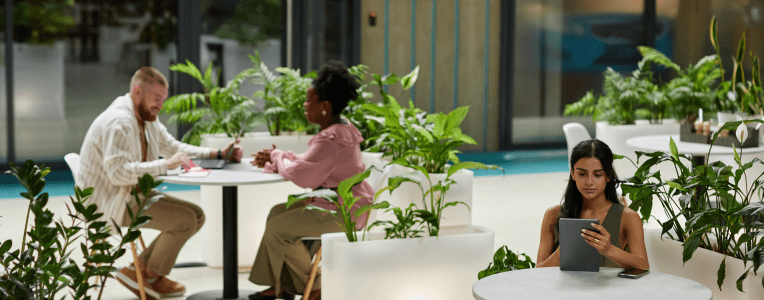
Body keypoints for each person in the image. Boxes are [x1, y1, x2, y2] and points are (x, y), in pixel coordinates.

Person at [77, 66, 243, 299]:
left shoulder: (146, 118)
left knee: (197, 215)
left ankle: (139, 271)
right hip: (110, 202)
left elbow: (173, 148)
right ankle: (151, 276)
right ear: (137, 92)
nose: (161, 105)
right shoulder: (119, 123)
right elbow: (118, 173)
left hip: (130, 194)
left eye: (163, 99)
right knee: (184, 220)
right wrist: (166, 165)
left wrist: (217, 153)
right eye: (157, 98)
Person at [247, 61, 374, 300]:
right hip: (340, 202)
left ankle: (314, 286)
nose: (304, 106)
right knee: (276, 213)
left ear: (324, 106)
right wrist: (280, 156)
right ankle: (280, 285)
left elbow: (302, 175)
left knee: (278, 228)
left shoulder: (330, 139)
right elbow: (309, 163)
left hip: (342, 211)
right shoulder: (342, 128)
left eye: (309, 101)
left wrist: (277, 156)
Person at [536, 139, 649, 270]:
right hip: (563, 290)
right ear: (572, 173)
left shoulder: (628, 217)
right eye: (582, 174)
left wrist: (609, 249)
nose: (589, 182)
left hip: (611, 290)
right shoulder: (553, 215)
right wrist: (562, 254)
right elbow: (539, 271)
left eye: (597, 175)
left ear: (608, 176)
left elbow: (644, 266)